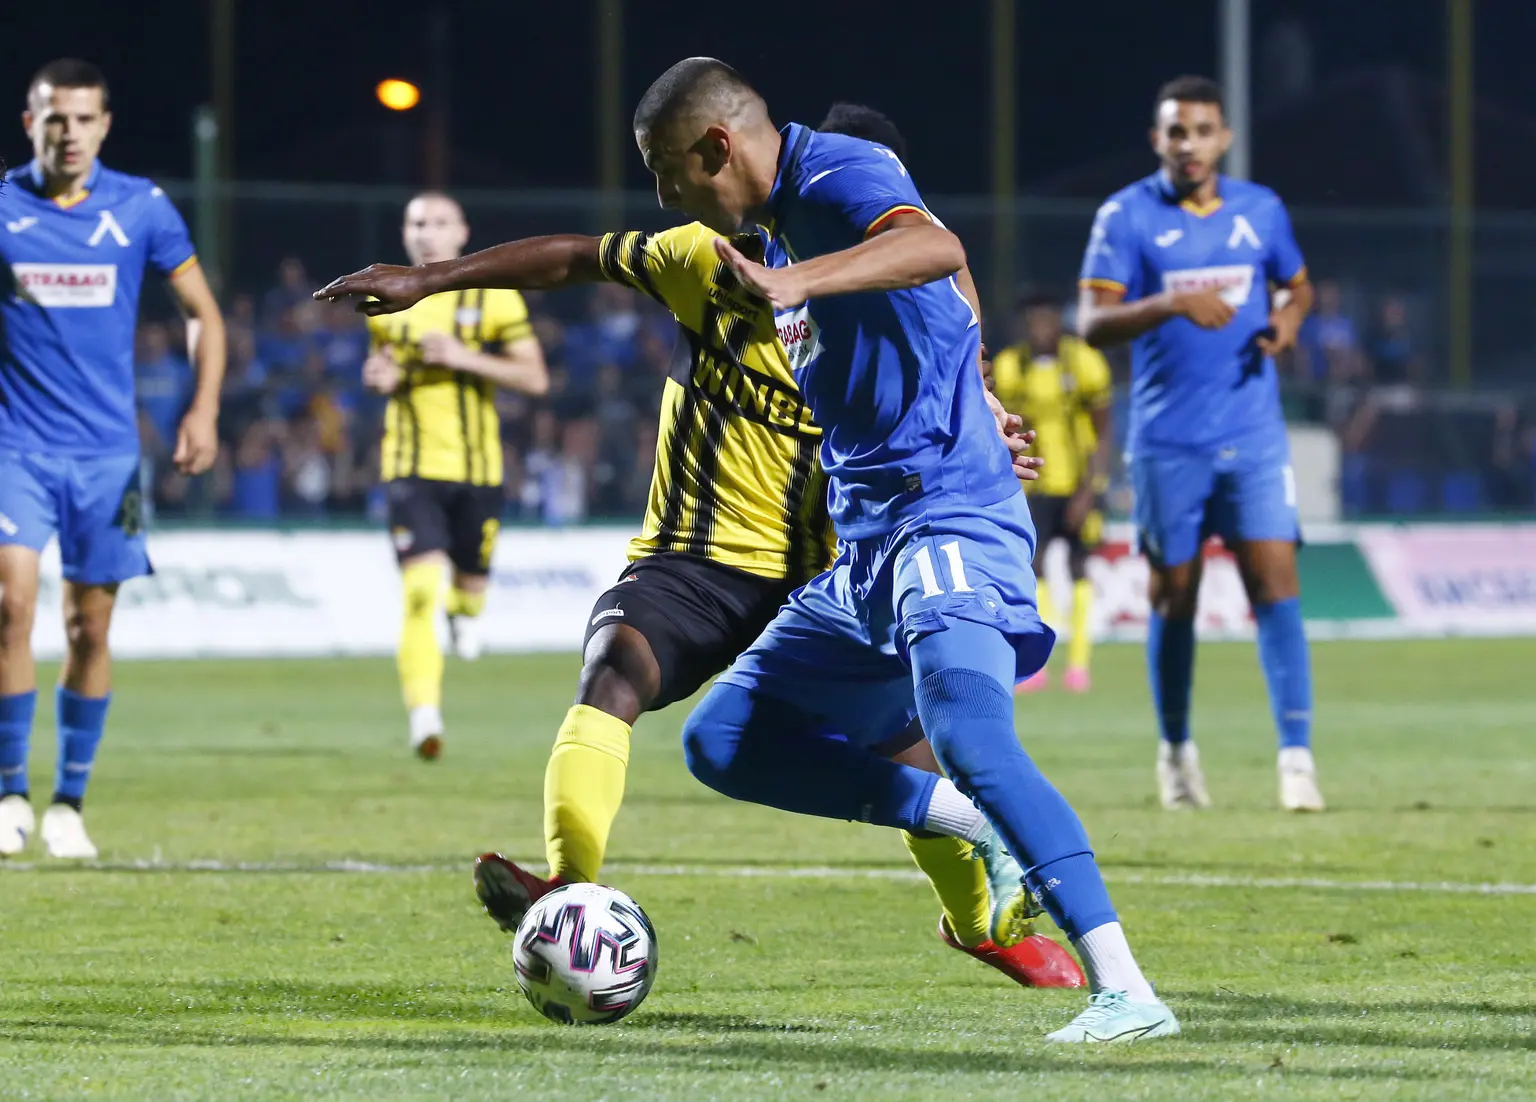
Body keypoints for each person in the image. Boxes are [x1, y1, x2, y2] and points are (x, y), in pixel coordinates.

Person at [316, 125, 1085, 989]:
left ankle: (979, 928)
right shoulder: (709, 260)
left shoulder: (901, 315)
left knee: (915, 765)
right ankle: (568, 887)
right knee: (613, 670)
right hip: (697, 559)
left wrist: (983, 424)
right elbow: (575, 257)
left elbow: (950, 393)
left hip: (828, 577)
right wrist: (430, 279)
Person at [643, 58, 1173, 1042]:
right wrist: (978, 386)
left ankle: (1129, 992)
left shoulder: (833, 172)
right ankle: (962, 820)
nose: (667, 198)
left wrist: (797, 280)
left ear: (716, 145)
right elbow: (942, 293)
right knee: (724, 740)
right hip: (868, 550)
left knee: (972, 735)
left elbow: (934, 245)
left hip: (946, 520)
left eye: (668, 172)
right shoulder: (777, 230)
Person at [1075, 75, 1324, 813]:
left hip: (1253, 434)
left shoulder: (1261, 210)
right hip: (1168, 441)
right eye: (1176, 131)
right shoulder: (1125, 216)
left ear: (1225, 138)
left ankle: (1297, 759)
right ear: (1158, 139)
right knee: (1174, 595)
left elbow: (1298, 287)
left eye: (1203, 130)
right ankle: (1177, 753)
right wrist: (1172, 302)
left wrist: (1288, 324)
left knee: (1275, 583)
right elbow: (1091, 323)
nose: (1189, 144)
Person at [0, 59, 225, 859]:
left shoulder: (141, 208)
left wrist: (202, 407)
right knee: (10, 606)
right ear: (31, 123)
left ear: (104, 126)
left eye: (83, 119)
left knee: (89, 628)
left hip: (106, 457)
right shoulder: (3, 207)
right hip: (15, 447)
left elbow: (203, 314)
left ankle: (68, 803)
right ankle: (9, 793)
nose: (69, 133)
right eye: (54, 118)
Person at [361, 192, 548, 759]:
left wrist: (463, 357)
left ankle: (464, 613)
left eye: (439, 222)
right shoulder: (385, 295)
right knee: (420, 594)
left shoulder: (491, 294)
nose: (427, 232)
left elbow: (535, 378)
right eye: (417, 223)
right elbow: (382, 369)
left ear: (462, 232)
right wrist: (380, 377)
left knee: (468, 595)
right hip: (410, 468)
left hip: (478, 470)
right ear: (404, 232)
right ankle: (425, 716)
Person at [990, 292, 1113, 693]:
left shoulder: (1084, 362)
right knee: (1034, 565)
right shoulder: (1011, 366)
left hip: (1078, 483)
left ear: (1059, 321)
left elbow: (1103, 429)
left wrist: (1090, 489)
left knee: (1079, 566)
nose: (1040, 329)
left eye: (1047, 320)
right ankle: (1037, 662)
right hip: (1033, 485)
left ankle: (1078, 663)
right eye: (1033, 322)